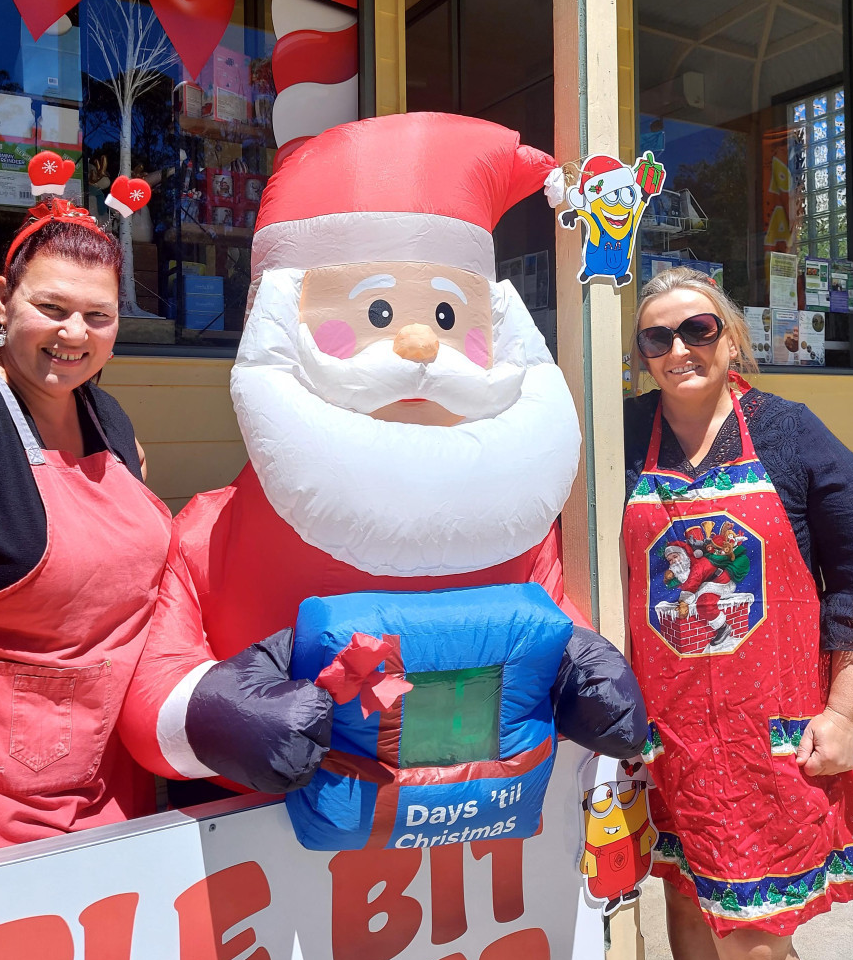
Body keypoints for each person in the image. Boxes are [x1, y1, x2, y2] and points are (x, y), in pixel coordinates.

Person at [116, 113, 645, 805]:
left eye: (449, 316)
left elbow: (546, 608)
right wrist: (220, 716)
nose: (421, 342)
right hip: (266, 840)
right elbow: (154, 691)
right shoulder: (213, 534)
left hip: (467, 836)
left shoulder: (513, 521)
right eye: (376, 311)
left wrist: (580, 666)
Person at [623, 266, 853, 960]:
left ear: (731, 335)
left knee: (754, 942)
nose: (679, 348)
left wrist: (847, 712)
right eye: (658, 336)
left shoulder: (793, 434)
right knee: (685, 904)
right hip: (666, 739)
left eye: (698, 329)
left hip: (769, 742)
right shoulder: (622, 436)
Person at [0, 196, 169, 948]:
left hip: (113, 794)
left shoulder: (107, 416)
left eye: (99, 316)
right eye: (51, 306)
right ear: (2, 301)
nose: (74, 334)